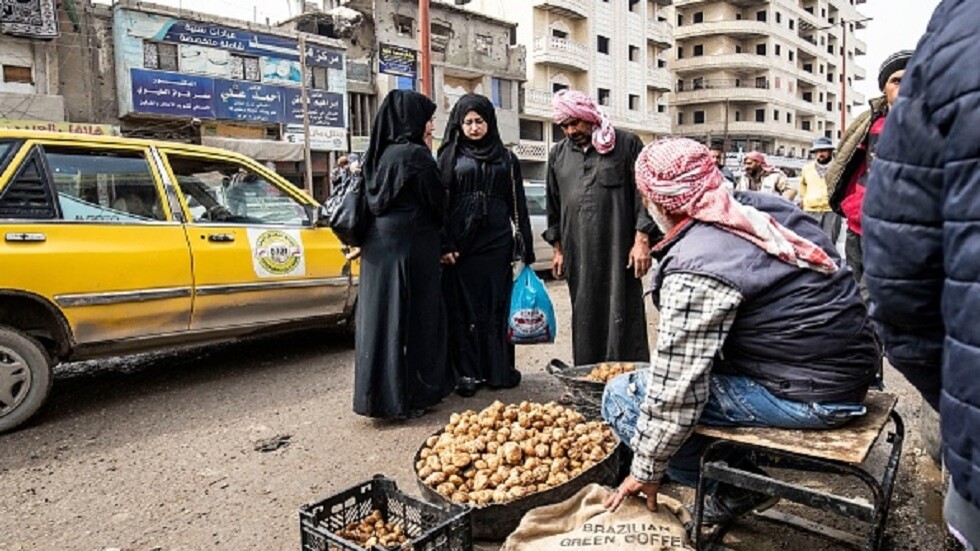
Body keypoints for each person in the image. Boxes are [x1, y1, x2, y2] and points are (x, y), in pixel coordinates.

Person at [602, 138, 878, 525]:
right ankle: (734, 471)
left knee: (624, 395)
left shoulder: (699, 262)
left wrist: (645, 470)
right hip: (843, 371)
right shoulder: (763, 209)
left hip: (814, 394)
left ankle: (735, 488)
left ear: (661, 203)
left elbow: (675, 391)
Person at [862, 2, 980, 548]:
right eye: (894, 81)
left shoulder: (960, 32)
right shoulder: (868, 131)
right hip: (877, 235)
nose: (901, 87)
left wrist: (957, 388)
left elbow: (903, 288)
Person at [353, 90, 454, 420]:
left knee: (383, 322)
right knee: (417, 322)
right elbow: (437, 202)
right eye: (424, 118)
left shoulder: (377, 154)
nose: (428, 124)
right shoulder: (415, 155)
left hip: (379, 249)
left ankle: (380, 399)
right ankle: (412, 396)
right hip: (412, 249)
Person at [544, 89, 658, 366]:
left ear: (589, 116)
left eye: (575, 123)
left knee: (623, 311)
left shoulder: (626, 144)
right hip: (577, 251)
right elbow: (554, 205)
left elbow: (646, 196)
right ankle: (588, 377)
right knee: (584, 313)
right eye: (565, 126)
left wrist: (641, 239)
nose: (570, 131)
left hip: (619, 249)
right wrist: (558, 249)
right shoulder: (558, 154)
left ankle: (628, 379)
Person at [437, 94, 535, 397]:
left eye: (479, 121)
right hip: (461, 247)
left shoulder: (506, 158)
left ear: (489, 122)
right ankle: (467, 373)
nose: (474, 127)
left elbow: (518, 203)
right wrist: (444, 243)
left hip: (496, 245)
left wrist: (525, 248)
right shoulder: (449, 156)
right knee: (462, 310)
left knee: (495, 308)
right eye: (467, 122)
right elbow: (438, 205)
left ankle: (498, 370)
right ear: (459, 124)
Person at [825, 49, 912, 301]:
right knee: (854, 291)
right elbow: (844, 160)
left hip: (896, 231)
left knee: (873, 297)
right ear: (884, 88)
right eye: (896, 81)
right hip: (858, 225)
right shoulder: (867, 123)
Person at [798, 136, 841, 243]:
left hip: (831, 210)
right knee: (811, 243)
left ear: (831, 152)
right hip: (810, 210)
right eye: (817, 152)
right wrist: (804, 200)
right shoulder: (807, 169)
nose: (820, 154)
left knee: (829, 243)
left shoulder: (838, 168)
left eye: (823, 151)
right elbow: (803, 186)